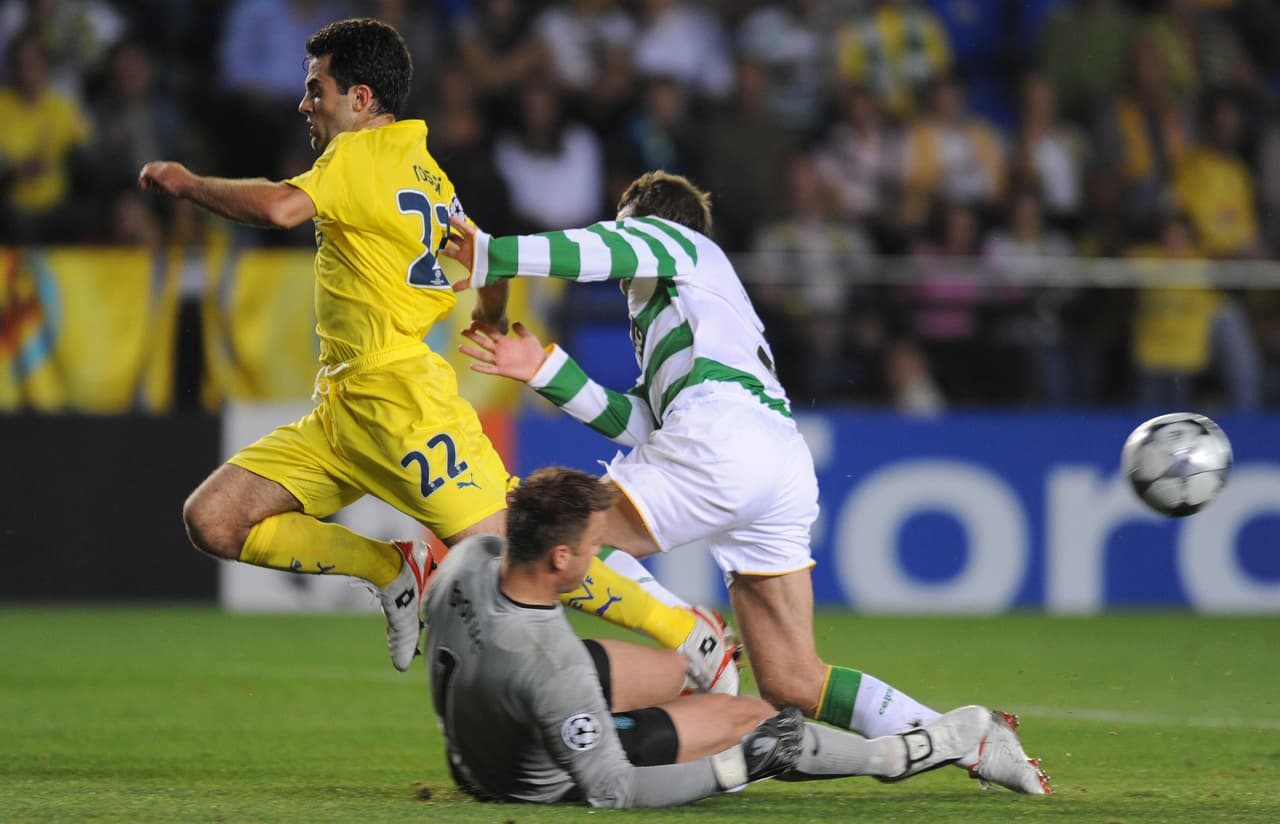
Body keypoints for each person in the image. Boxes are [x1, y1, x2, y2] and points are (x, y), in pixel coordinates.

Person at [136, 19, 733, 687]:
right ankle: (393, 570)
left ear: (361, 100)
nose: (306, 105)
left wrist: (188, 184)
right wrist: (493, 317)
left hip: (401, 405)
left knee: (524, 550)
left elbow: (279, 210)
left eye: (317, 90)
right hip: (342, 410)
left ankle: (689, 633)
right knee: (215, 520)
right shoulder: (425, 171)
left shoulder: (355, 159)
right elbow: (490, 261)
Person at [444, 170, 1053, 795]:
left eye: (628, 234)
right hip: (774, 459)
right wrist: (543, 367)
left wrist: (494, 252)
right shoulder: (693, 310)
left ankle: (692, 637)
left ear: (647, 224)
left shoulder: (679, 245)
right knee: (793, 680)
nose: (624, 270)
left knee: (572, 540)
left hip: (724, 437)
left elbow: (608, 250)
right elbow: (647, 426)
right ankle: (970, 739)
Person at [424, 466, 1013, 807]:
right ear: (559, 556)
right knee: (752, 717)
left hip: (480, 737)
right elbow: (610, 789)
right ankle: (894, 755)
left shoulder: (474, 555)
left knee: (675, 669)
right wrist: (732, 769)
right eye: (592, 545)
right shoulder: (553, 666)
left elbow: (439, 619)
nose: (600, 551)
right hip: (535, 778)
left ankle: (685, 726)